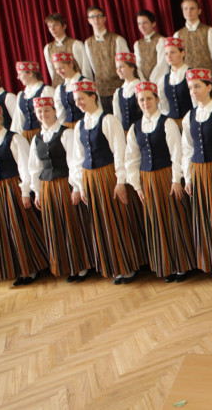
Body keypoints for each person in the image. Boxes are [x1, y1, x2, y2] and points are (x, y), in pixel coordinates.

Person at [70, 79, 147, 284]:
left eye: (82, 98)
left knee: (117, 220)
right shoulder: (79, 126)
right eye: (76, 99)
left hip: (108, 176)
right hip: (90, 178)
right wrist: (80, 184)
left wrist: (120, 180)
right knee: (101, 223)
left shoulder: (108, 120)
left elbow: (119, 152)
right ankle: (114, 266)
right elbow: (78, 157)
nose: (79, 102)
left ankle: (128, 265)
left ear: (93, 97)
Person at [125, 82, 195, 283]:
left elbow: (177, 153)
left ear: (156, 99)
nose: (145, 103)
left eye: (149, 98)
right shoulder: (135, 128)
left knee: (173, 219)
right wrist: (137, 186)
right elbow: (132, 157)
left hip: (166, 177)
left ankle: (182, 265)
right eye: (142, 99)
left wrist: (176, 180)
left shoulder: (167, 123)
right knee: (156, 222)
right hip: (147, 179)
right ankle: (167, 265)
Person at [0, 104, 48, 286]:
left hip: (12, 187)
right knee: (4, 230)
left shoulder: (13, 139)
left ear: (0, 118)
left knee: (19, 227)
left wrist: (25, 191)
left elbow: (24, 165)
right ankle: (17, 268)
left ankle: (31, 268)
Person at [27, 97, 93, 283]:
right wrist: (37, 191)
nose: (43, 115)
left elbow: (74, 161)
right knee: (55, 225)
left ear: (54, 111)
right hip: (48, 187)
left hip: (65, 184)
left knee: (72, 224)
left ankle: (82, 265)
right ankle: (67, 265)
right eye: (40, 112)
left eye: (47, 110)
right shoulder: (36, 139)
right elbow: (35, 167)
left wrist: (76, 187)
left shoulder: (66, 134)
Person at [182, 69, 212, 280]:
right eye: (191, 87)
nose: (193, 91)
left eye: (197, 86)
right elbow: (187, 148)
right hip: (200, 172)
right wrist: (188, 176)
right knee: (206, 217)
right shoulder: (189, 116)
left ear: (209, 87)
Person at [83, 5, 131, 113]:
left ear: (104, 18)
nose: (96, 19)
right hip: (101, 91)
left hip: (119, 88)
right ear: (89, 20)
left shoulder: (117, 39)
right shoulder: (88, 43)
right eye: (92, 17)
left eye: (99, 16)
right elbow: (90, 67)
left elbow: (128, 65)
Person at [173, 0, 212, 86]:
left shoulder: (210, 31)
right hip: (186, 83)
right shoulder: (177, 35)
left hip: (207, 82)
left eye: (192, 8)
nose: (188, 11)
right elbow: (176, 62)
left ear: (199, 11)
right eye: (185, 8)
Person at [10, 61, 55, 143]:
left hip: (44, 134)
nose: (18, 77)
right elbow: (18, 120)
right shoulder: (21, 95)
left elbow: (55, 114)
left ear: (30, 73)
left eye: (20, 74)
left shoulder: (46, 90)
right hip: (26, 136)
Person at [42, 12, 91, 86]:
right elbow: (52, 71)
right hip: (59, 87)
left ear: (64, 26)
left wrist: (87, 87)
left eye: (55, 25)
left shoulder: (75, 44)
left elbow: (85, 68)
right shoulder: (48, 48)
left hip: (77, 88)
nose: (52, 29)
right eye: (49, 26)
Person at [157, 37, 195, 128]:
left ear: (182, 53)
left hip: (191, 121)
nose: (169, 56)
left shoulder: (191, 75)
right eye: (166, 53)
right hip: (173, 123)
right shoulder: (163, 79)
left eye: (172, 52)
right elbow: (163, 105)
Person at [51, 52, 87, 129]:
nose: (59, 71)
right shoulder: (60, 89)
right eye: (57, 69)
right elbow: (60, 114)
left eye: (62, 68)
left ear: (71, 64)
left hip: (85, 125)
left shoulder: (85, 82)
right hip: (68, 127)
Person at [112, 52, 143, 132]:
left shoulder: (140, 88)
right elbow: (117, 116)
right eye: (117, 68)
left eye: (121, 67)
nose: (118, 70)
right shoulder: (119, 92)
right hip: (126, 133)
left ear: (132, 68)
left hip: (141, 131)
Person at [133, 9, 167, 83]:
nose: (142, 26)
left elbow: (162, 64)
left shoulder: (161, 40)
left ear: (153, 24)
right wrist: (143, 81)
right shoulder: (137, 44)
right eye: (139, 23)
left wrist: (151, 82)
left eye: (145, 23)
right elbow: (138, 65)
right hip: (144, 83)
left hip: (160, 81)